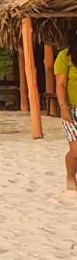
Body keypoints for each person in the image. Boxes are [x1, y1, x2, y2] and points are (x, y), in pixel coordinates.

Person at [56, 27, 77, 193]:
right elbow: (61, 84)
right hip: (72, 109)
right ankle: (70, 176)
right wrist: (63, 106)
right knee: (76, 151)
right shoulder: (65, 56)